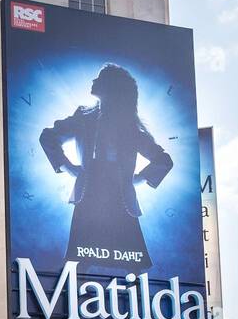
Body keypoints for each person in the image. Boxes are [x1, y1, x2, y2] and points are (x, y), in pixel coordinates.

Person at [39, 63, 174, 274]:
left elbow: (164, 160)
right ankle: (69, 299)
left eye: (100, 78)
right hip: (89, 192)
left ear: (112, 87)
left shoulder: (129, 126)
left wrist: (137, 178)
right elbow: (48, 136)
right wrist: (67, 166)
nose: (94, 81)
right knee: (79, 259)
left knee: (133, 263)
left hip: (119, 195)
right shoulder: (83, 116)